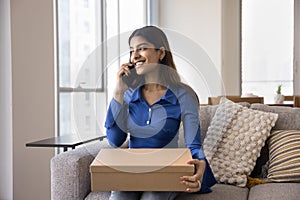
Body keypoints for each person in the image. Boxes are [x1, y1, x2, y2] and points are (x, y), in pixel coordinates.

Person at [104, 26, 216, 200]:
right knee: (120, 196)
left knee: (153, 196)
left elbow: (193, 144)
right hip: (134, 170)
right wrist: (118, 92)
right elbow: (115, 141)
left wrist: (200, 164)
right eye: (132, 50)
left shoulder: (184, 94)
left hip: (168, 169)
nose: (135, 55)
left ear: (161, 53)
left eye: (142, 48)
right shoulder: (126, 93)